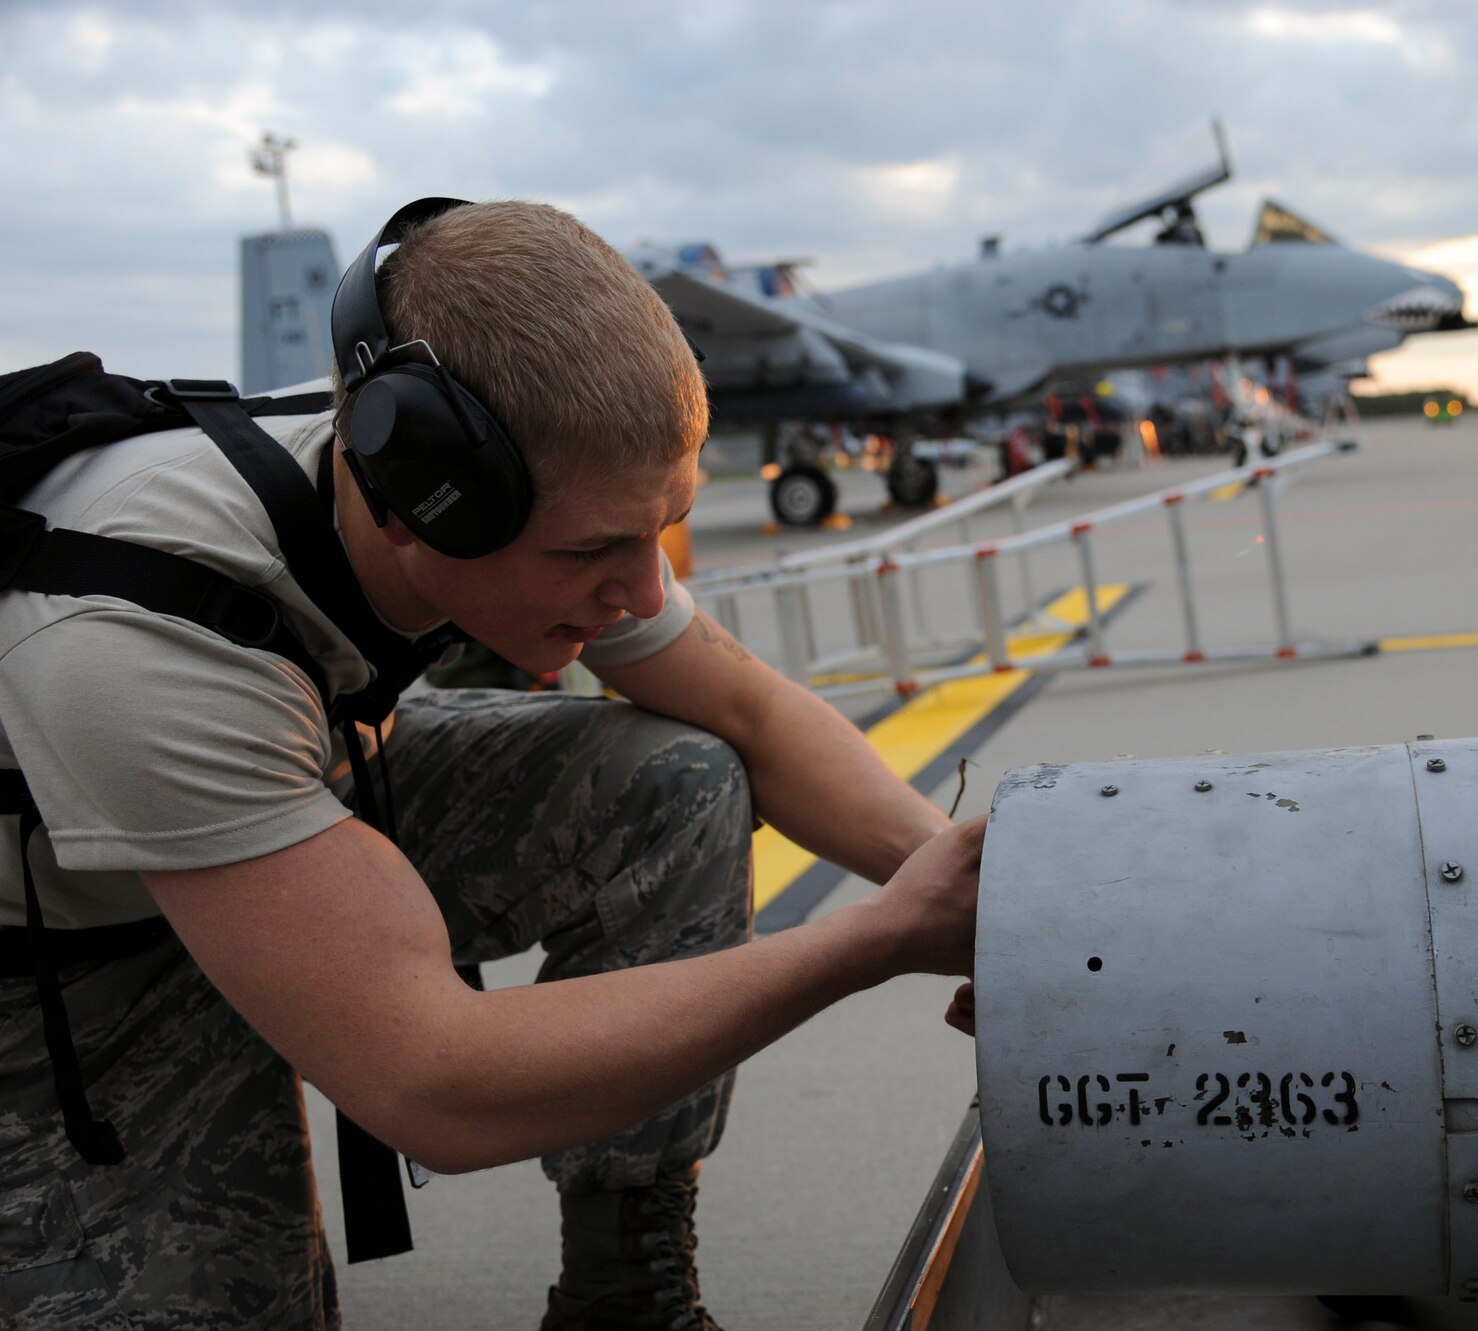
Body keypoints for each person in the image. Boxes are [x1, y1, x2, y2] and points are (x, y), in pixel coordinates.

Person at [0, 200, 983, 1330]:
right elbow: (434, 1080)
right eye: (594, 553)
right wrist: (874, 939)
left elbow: (753, 713)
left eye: (658, 530)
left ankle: (625, 1296)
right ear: (424, 509)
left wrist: (969, 897)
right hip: (63, 955)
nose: (644, 594)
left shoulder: (480, 491)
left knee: (678, 779)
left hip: (286, 790)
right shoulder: (136, 627)